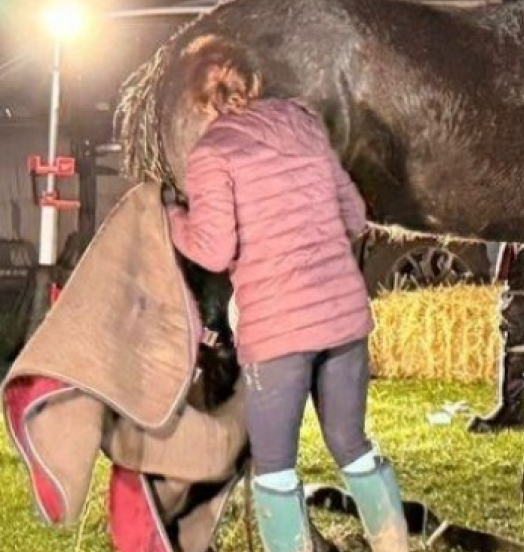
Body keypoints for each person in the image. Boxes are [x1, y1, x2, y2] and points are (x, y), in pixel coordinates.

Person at [165, 35, 410, 552]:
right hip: (343, 319)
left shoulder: (213, 153)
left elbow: (212, 250)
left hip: (279, 330)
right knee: (352, 444)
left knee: (275, 468)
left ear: (200, 98)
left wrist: (172, 220)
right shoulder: (304, 125)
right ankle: (394, 545)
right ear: (254, 82)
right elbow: (356, 216)